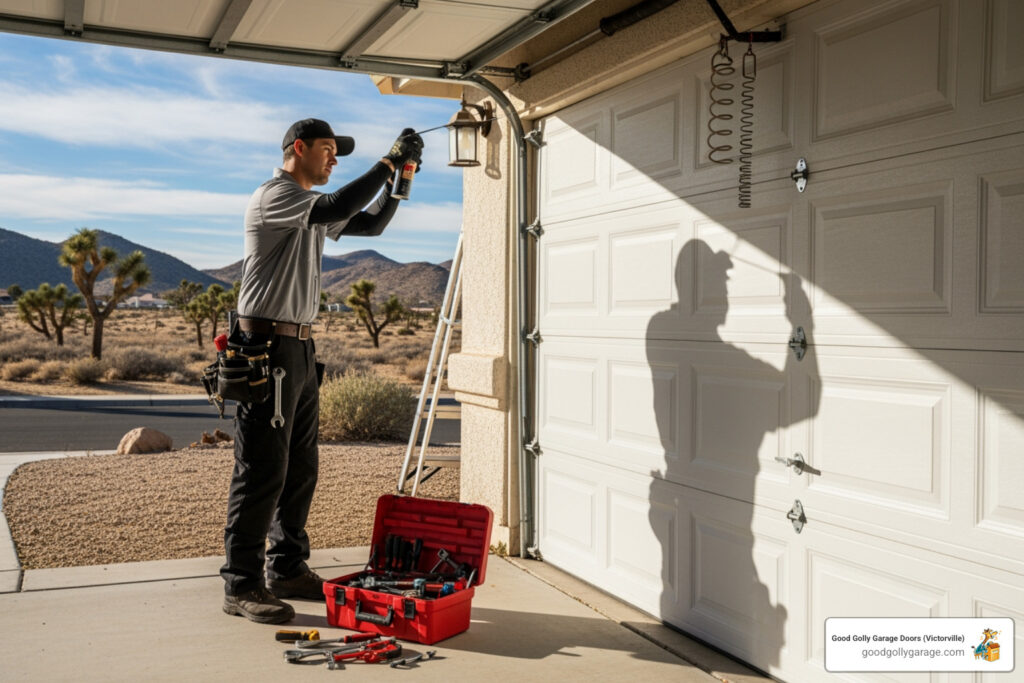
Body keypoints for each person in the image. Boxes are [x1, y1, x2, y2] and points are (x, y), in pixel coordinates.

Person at [221, 118, 423, 624]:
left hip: (300, 352)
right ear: (298, 147)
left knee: (300, 467)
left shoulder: (309, 210)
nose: (334, 160)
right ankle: (241, 584)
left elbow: (369, 223)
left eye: (338, 152)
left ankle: (287, 568)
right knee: (263, 468)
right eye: (328, 149)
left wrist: (400, 177)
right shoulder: (277, 195)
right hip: (265, 347)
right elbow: (338, 205)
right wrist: (385, 159)